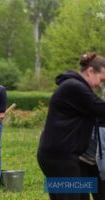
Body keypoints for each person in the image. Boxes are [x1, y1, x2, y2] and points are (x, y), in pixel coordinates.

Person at [37, 52, 105, 200]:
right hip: (59, 158)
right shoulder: (74, 87)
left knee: (81, 196)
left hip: (63, 155)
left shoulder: (76, 87)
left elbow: (97, 116)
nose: (100, 85)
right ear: (90, 71)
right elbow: (100, 109)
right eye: (101, 80)